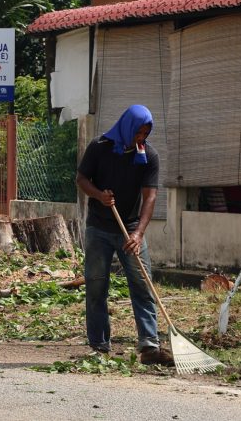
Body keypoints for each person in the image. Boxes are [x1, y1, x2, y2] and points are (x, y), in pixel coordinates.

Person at [76, 104, 173, 366]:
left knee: (142, 285)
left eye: (145, 133)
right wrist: (99, 195)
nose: (141, 138)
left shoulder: (148, 156)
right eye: (138, 132)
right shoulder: (100, 147)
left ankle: (150, 345)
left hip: (130, 230)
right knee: (96, 286)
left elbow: (150, 196)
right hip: (99, 228)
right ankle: (99, 345)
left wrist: (139, 233)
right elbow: (82, 179)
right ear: (127, 128)